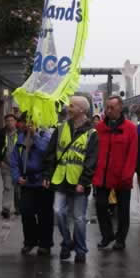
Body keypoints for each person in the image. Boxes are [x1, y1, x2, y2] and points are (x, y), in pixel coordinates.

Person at [43, 96, 98, 264]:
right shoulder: (60, 128)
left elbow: (92, 160)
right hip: (60, 178)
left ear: (82, 110)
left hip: (78, 181)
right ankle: (67, 242)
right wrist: (47, 175)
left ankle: (81, 250)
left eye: (72, 106)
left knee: (79, 218)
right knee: (58, 212)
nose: (68, 108)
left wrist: (84, 181)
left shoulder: (92, 133)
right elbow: (51, 154)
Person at [93, 96, 138, 251]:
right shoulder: (100, 128)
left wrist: (127, 175)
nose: (108, 110)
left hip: (122, 176)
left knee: (123, 210)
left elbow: (132, 153)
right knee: (100, 205)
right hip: (102, 175)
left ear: (120, 108)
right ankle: (107, 235)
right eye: (107, 107)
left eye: (111, 107)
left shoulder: (130, 128)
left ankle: (120, 239)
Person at [11, 118, 54, 256]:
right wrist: (17, 177)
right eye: (26, 122)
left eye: (31, 122)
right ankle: (29, 241)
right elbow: (14, 161)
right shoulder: (20, 138)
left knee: (44, 215)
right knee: (26, 212)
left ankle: (45, 244)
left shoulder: (45, 135)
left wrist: (35, 135)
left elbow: (46, 152)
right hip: (27, 182)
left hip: (42, 182)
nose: (28, 125)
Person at [0, 113, 20, 219]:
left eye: (12, 120)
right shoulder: (2, 133)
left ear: (15, 122)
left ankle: (18, 208)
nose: (10, 122)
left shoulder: (21, 133)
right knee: (7, 186)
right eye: (7, 121)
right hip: (6, 164)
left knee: (17, 188)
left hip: (18, 166)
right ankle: (6, 209)